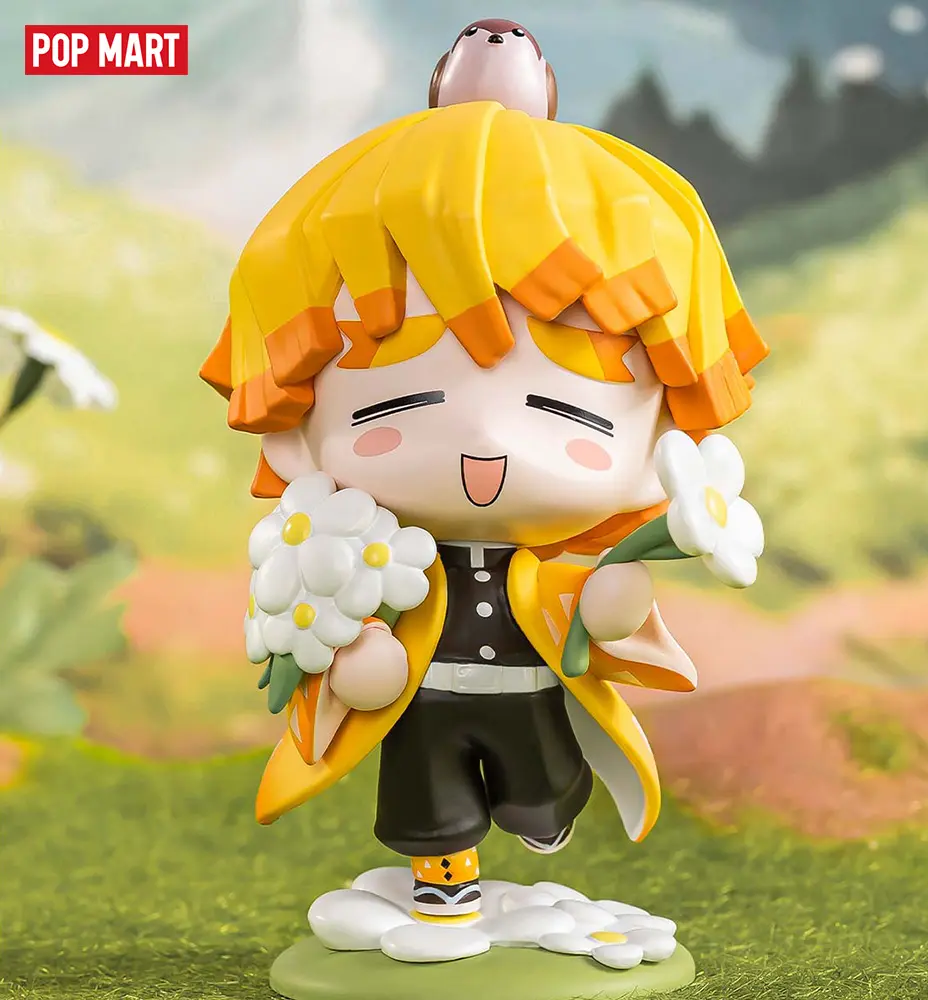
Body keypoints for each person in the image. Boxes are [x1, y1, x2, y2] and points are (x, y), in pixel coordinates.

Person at [200, 98, 767, 920]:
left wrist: (614, 597)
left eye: (567, 411)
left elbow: (598, 621)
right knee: (427, 794)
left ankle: (543, 812)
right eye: (395, 405)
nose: (486, 443)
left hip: (529, 692)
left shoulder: (554, 556)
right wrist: (360, 657)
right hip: (423, 705)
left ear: (667, 437)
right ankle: (445, 876)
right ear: (293, 435)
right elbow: (349, 656)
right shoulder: (371, 566)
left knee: (543, 781)